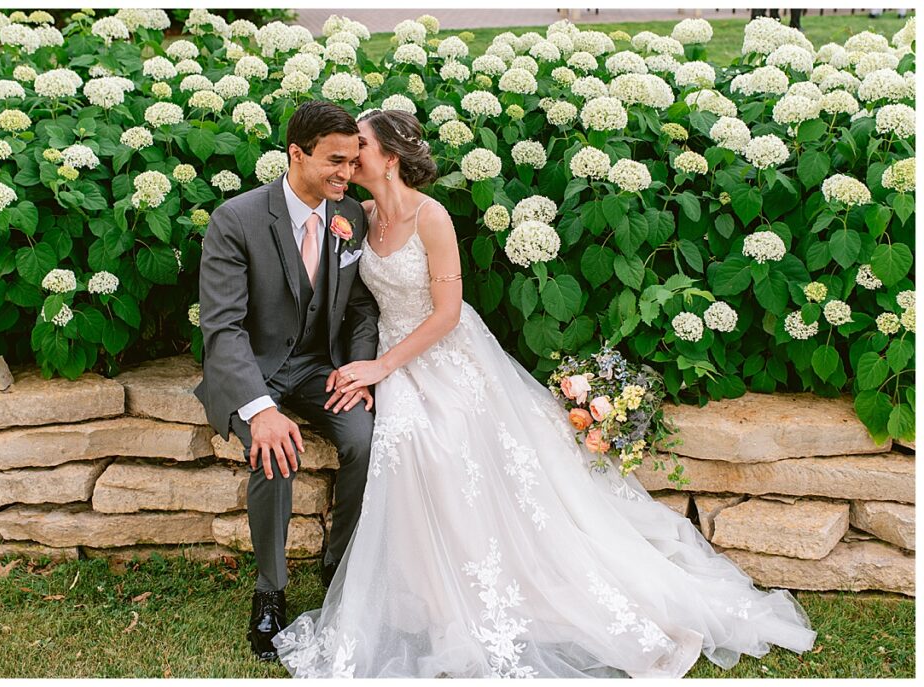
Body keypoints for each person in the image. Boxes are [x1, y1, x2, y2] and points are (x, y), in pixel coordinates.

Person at [271, 109, 817, 677]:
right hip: (387, 353)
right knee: (403, 437)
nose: (348, 156)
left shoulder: (430, 217)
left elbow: (447, 313)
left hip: (441, 351)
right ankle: (424, 593)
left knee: (445, 437)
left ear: (389, 158)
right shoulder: (356, 218)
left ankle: (480, 588)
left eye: (359, 145)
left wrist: (381, 366)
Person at [194, 101, 380, 661]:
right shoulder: (237, 219)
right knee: (274, 451)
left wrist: (358, 370)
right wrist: (260, 409)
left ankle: (339, 567)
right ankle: (270, 590)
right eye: (334, 161)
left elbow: (362, 307)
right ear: (296, 154)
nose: (346, 174)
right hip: (253, 368)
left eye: (352, 161)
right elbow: (222, 327)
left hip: (321, 367)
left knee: (364, 438)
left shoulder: (351, 216)